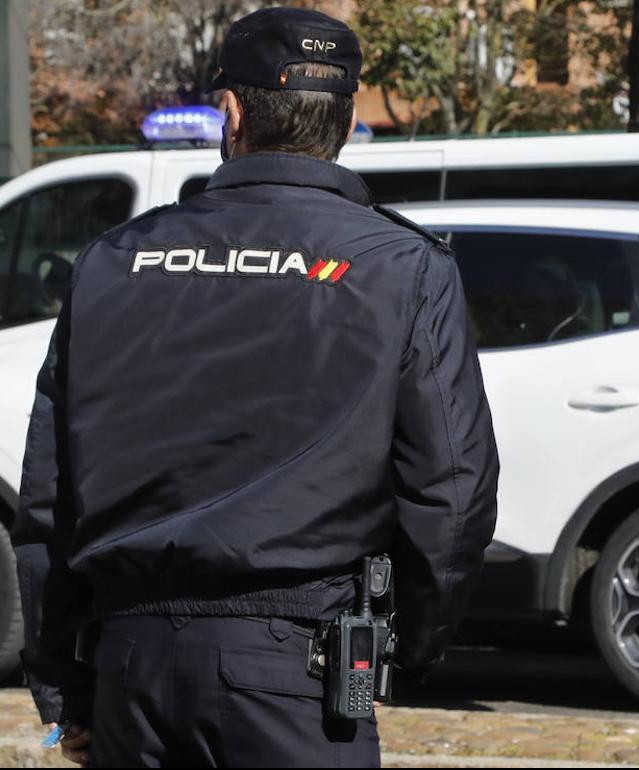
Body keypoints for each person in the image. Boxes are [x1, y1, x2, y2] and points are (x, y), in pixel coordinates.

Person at [14, 7, 499, 767]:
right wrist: (411, 647)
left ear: (230, 112)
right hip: (296, 673)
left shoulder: (112, 260)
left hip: (129, 667)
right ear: (342, 121)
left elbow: (49, 499)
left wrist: (63, 688)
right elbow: (453, 490)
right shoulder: (401, 267)